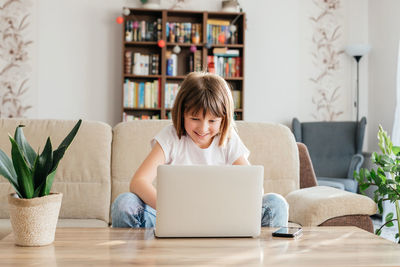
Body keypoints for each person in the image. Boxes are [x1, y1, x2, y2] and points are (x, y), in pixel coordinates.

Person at [111, 72, 288, 228]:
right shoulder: (171, 137)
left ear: (224, 119)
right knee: (124, 204)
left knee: (276, 204)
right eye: (195, 118)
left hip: (222, 218)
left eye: (212, 121)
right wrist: (171, 207)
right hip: (174, 217)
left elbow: (255, 189)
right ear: (182, 113)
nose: (203, 129)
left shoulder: (228, 139)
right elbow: (138, 181)